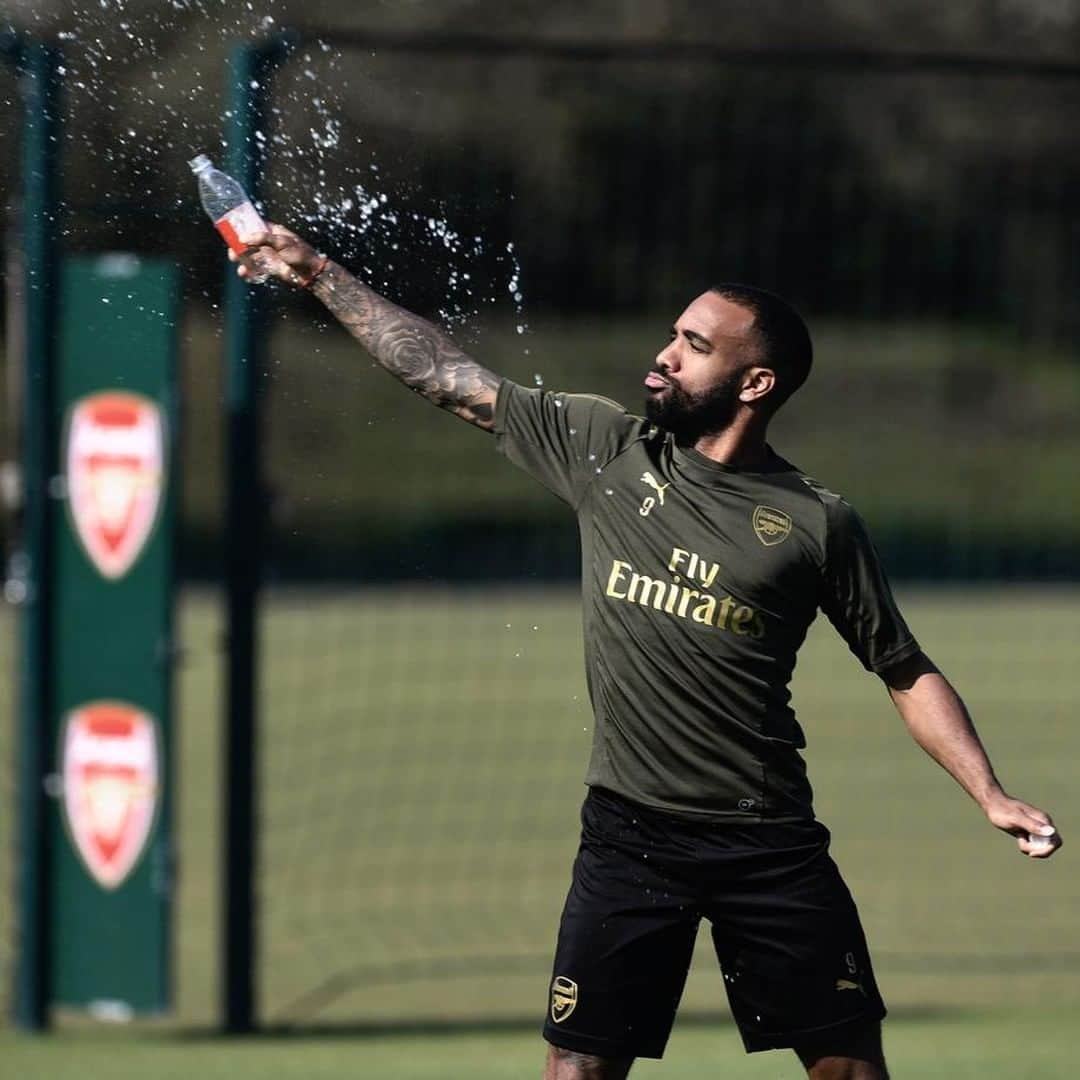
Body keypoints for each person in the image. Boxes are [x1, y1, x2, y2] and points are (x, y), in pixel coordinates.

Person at [231, 226, 1062, 1080]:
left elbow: (902, 667)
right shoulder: (606, 450)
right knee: (577, 1070)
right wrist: (317, 273)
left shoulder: (817, 522)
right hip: (629, 835)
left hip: (766, 840)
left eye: (694, 346)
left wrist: (988, 792)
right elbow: (442, 376)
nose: (663, 356)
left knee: (847, 1069)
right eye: (672, 334)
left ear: (756, 382)